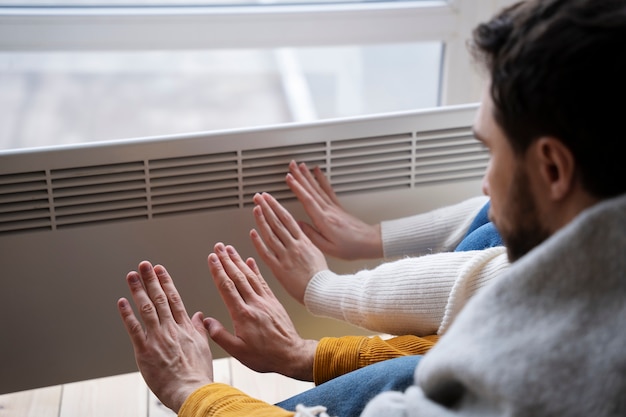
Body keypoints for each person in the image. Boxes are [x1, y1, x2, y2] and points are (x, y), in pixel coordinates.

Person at [117, 0, 626, 415]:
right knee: (499, 227)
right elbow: (481, 274)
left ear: (554, 169)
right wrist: (305, 350)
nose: (485, 182)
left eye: (490, 152)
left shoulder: (528, 382)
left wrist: (193, 391)